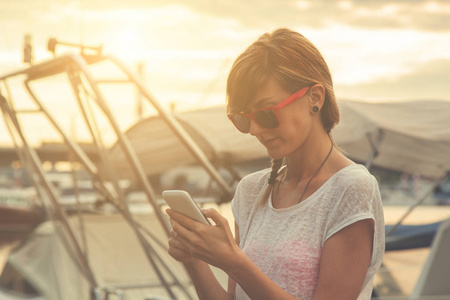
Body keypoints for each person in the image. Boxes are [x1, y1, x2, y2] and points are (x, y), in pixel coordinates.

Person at [166, 27, 385, 300]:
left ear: (314, 98)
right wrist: (194, 257)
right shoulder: (251, 191)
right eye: (243, 120)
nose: (256, 129)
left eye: (267, 114)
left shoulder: (350, 189)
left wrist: (234, 261)